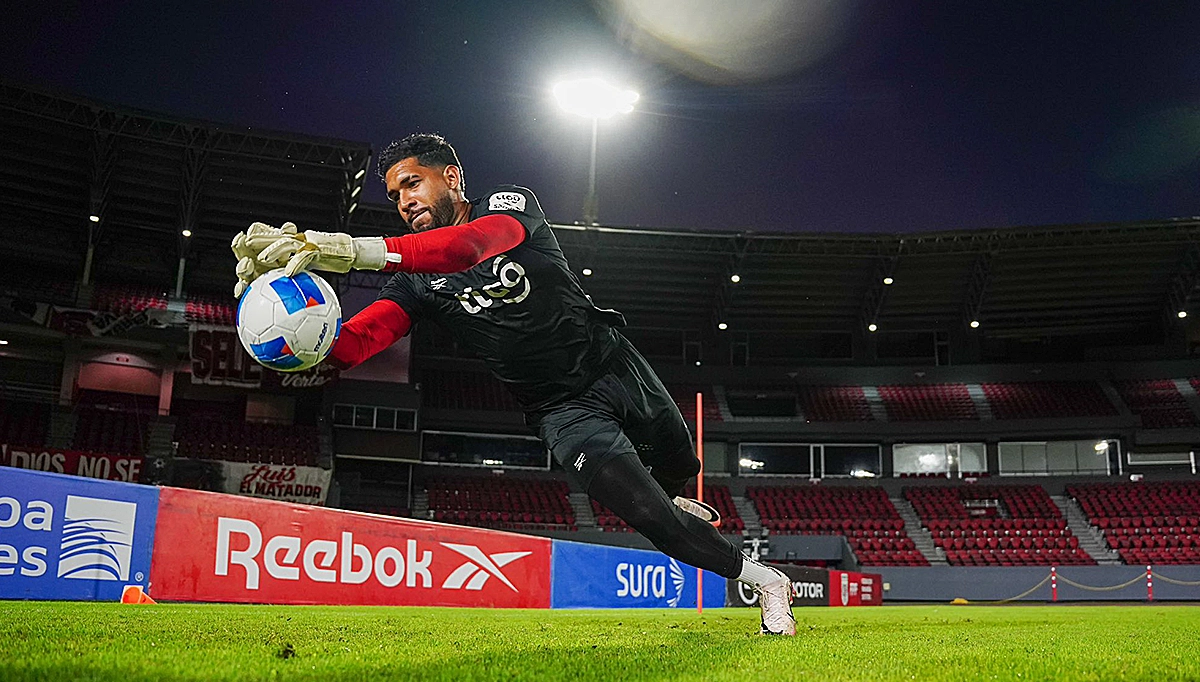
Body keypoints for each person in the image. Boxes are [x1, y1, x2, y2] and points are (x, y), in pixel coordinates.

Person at [231, 133, 795, 635]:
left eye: (412, 183)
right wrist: (288, 334)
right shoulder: (416, 282)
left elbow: (466, 248)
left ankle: (680, 503)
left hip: (612, 365)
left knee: (682, 469)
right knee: (651, 519)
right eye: (395, 195)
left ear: (451, 177)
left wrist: (351, 249)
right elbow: (354, 344)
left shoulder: (510, 205)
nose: (404, 202)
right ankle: (766, 581)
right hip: (563, 413)